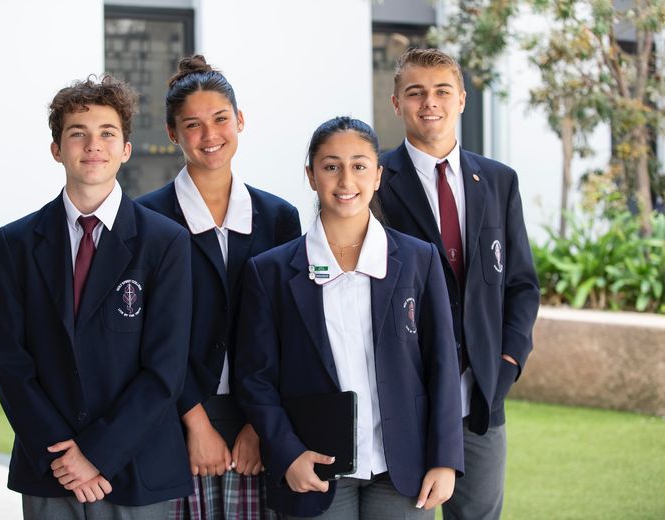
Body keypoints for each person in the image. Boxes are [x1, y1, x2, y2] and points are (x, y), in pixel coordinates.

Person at [235, 116, 464, 519]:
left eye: (359, 166)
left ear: (377, 175)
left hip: (402, 466)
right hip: (314, 464)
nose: (346, 180)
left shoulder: (417, 259)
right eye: (330, 166)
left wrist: (445, 458)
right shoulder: (269, 271)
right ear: (311, 175)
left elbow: (443, 365)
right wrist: (288, 454)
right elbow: (255, 378)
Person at [0, 75, 194, 519]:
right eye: (77, 134)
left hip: (137, 466)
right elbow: (11, 361)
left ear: (125, 149)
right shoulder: (18, 242)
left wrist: (96, 453)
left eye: (107, 134)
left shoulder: (165, 243)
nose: (92, 146)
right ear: (56, 150)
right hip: (50, 467)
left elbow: (165, 369)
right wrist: (64, 457)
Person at [376, 47, 541, 519]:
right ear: (396, 103)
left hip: (482, 396)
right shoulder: (375, 180)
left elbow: (521, 284)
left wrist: (508, 360)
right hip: (407, 394)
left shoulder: (498, 180)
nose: (430, 102)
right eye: (415, 93)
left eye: (442, 91)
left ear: (462, 99)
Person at [137, 55, 301, 519]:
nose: (210, 136)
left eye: (221, 119)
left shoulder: (279, 218)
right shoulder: (145, 220)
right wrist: (196, 422)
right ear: (172, 134)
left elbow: (290, 330)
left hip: (259, 417)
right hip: (175, 416)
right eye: (192, 124)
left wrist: (258, 424)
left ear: (240, 120)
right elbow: (148, 336)